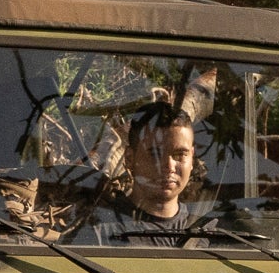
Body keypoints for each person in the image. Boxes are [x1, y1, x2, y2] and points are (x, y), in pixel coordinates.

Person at [70, 101, 216, 246]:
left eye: (179, 155)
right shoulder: (99, 232)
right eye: (155, 154)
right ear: (129, 159)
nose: (169, 166)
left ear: (192, 158)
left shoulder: (209, 234)